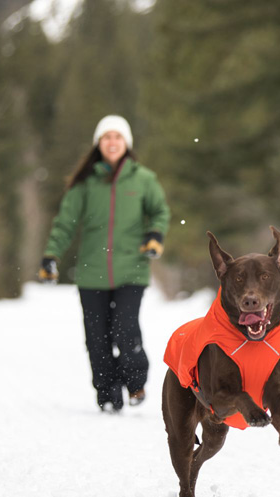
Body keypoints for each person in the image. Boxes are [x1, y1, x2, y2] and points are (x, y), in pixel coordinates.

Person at [39, 115, 170, 412]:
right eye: (107, 137)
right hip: (92, 274)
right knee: (97, 339)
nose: (112, 142)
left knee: (125, 330)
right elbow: (65, 224)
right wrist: (51, 255)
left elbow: (160, 211)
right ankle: (107, 390)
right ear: (99, 143)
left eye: (118, 137)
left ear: (126, 143)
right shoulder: (85, 183)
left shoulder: (144, 179)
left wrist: (154, 235)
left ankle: (136, 383)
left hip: (131, 270)